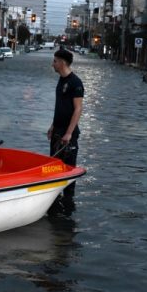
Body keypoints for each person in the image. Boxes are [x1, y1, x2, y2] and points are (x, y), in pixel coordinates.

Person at [47, 48, 83, 212]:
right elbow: (60, 107)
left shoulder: (75, 83)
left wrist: (69, 133)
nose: (52, 64)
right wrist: (53, 126)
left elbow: (77, 109)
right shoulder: (61, 81)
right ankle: (53, 202)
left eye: (55, 61)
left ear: (62, 63)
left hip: (68, 136)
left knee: (68, 170)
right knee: (53, 168)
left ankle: (68, 207)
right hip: (57, 132)